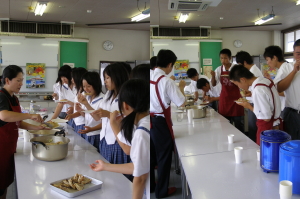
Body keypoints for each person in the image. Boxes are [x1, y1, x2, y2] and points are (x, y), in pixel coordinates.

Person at [90, 79, 150, 199]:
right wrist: (105, 166)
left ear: (125, 105)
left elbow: (141, 178)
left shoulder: (141, 133)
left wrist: (113, 123)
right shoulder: (146, 122)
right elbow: (137, 166)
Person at [0, 65, 46, 199]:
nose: (21, 84)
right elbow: (3, 116)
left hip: (9, 147)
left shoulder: (14, 98)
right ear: (7, 80)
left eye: (22, 80)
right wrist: (30, 115)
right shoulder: (2, 96)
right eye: (18, 80)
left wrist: (37, 128)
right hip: (1, 148)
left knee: (4, 185)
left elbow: (17, 122)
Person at [150, 49, 186, 198]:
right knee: (164, 157)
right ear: (170, 64)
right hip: (160, 122)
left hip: (150, 120)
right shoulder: (166, 81)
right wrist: (181, 87)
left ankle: (152, 185)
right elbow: (181, 103)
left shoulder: (151, 76)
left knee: (152, 156)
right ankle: (162, 191)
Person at [229, 65, 281, 145]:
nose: (239, 87)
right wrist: (252, 94)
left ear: (243, 80)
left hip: (268, 130)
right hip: (276, 125)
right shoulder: (264, 81)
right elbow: (268, 97)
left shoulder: (258, 89)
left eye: (237, 84)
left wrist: (248, 106)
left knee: (265, 154)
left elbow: (266, 118)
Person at [90, 63, 131, 164]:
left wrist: (108, 114)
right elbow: (97, 118)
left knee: (118, 175)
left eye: (107, 78)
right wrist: (87, 106)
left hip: (118, 141)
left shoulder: (127, 95)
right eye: (104, 78)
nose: (105, 81)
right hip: (104, 138)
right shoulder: (109, 94)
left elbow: (130, 119)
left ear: (117, 77)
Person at [211, 49, 244, 132]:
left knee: (238, 124)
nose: (223, 60)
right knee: (224, 124)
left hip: (236, 99)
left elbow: (242, 83)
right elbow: (214, 84)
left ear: (230, 58)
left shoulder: (236, 68)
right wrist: (213, 76)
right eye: (221, 58)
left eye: (225, 58)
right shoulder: (218, 69)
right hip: (224, 99)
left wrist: (232, 79)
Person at [274, 39, 300, 139]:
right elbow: (279, 88)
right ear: (293, 53)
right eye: (298, 53)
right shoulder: (287, 67)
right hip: (293, 113)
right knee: (292, 144)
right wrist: (294, 71)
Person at [235, 50, 263, 141]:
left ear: (245, 62)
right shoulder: (252, 70)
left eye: (240, 64)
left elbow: (257, 90)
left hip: (254, 104)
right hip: (252, 102)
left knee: (253, 128)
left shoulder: (254, 72)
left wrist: (247, 93)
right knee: (252, 127)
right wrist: (249, 93)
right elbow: (254, 90)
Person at [76, 72, 104, 149]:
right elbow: (86, 115)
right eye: (84, 86)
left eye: (88, 86)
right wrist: (80, 110)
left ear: (96, 84)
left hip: (96, 134)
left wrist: (86, 104)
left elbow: (98, 118)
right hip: (88, 132)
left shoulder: (102, 100)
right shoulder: (88, 98)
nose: (86, 89)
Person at [263, 46, 287, 117]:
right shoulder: (282, 69)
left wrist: (272, 90)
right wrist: (270, 80)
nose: (267, 63)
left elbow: (285, 91)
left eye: (267, 60)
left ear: (274, 58)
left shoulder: (284, 70)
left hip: (286, 107)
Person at [65, 67, 88, 137]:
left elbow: (83, 111)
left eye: (73, 78)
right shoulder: (79, 91)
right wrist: (73, 108)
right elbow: (78, 106)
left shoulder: (84, 93)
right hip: (76, 122)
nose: (71, 80)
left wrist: (72, 115)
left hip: (82, 123)